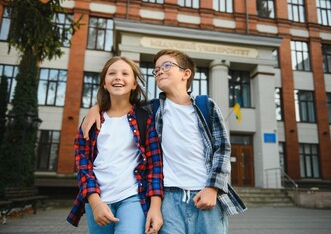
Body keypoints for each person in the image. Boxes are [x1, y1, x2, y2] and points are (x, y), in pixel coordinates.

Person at [82, 50, 246, 234]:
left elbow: (222, 150)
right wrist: (96, 108)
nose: (159, 71)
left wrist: (213, 188)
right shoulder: (152, 110)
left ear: (186, 73)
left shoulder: (205, 106)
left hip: (206, 195)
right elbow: (120, 101)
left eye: (167, 66)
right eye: (157, 69)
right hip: (168, 199)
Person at [66, 56, 164, 234]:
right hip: (97, 199)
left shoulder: (145, 119)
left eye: (125, 73)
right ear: (104, 83)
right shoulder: (91, 122)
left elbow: (155, 165)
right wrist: (95, 203)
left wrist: (155, 206)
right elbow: (82, 163)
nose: (118, 77)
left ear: (134, 84)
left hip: (133, 198)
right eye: (112, 73)